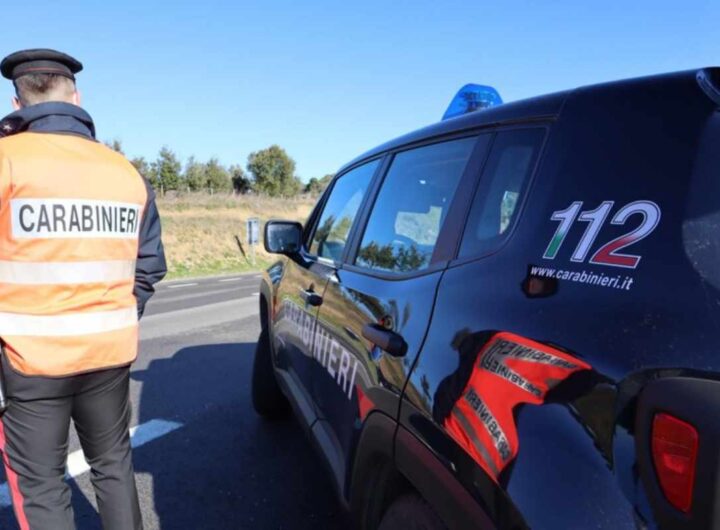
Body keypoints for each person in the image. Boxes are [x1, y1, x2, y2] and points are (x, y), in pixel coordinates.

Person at [0, 48, 166, 530]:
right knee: (114, 468)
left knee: (42, 485)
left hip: (28, 363)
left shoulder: (7, 160)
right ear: (76, 96)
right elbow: (149, 265)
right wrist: (114, 313)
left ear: (17, 101)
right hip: (110, 354)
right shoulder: (123, 170)